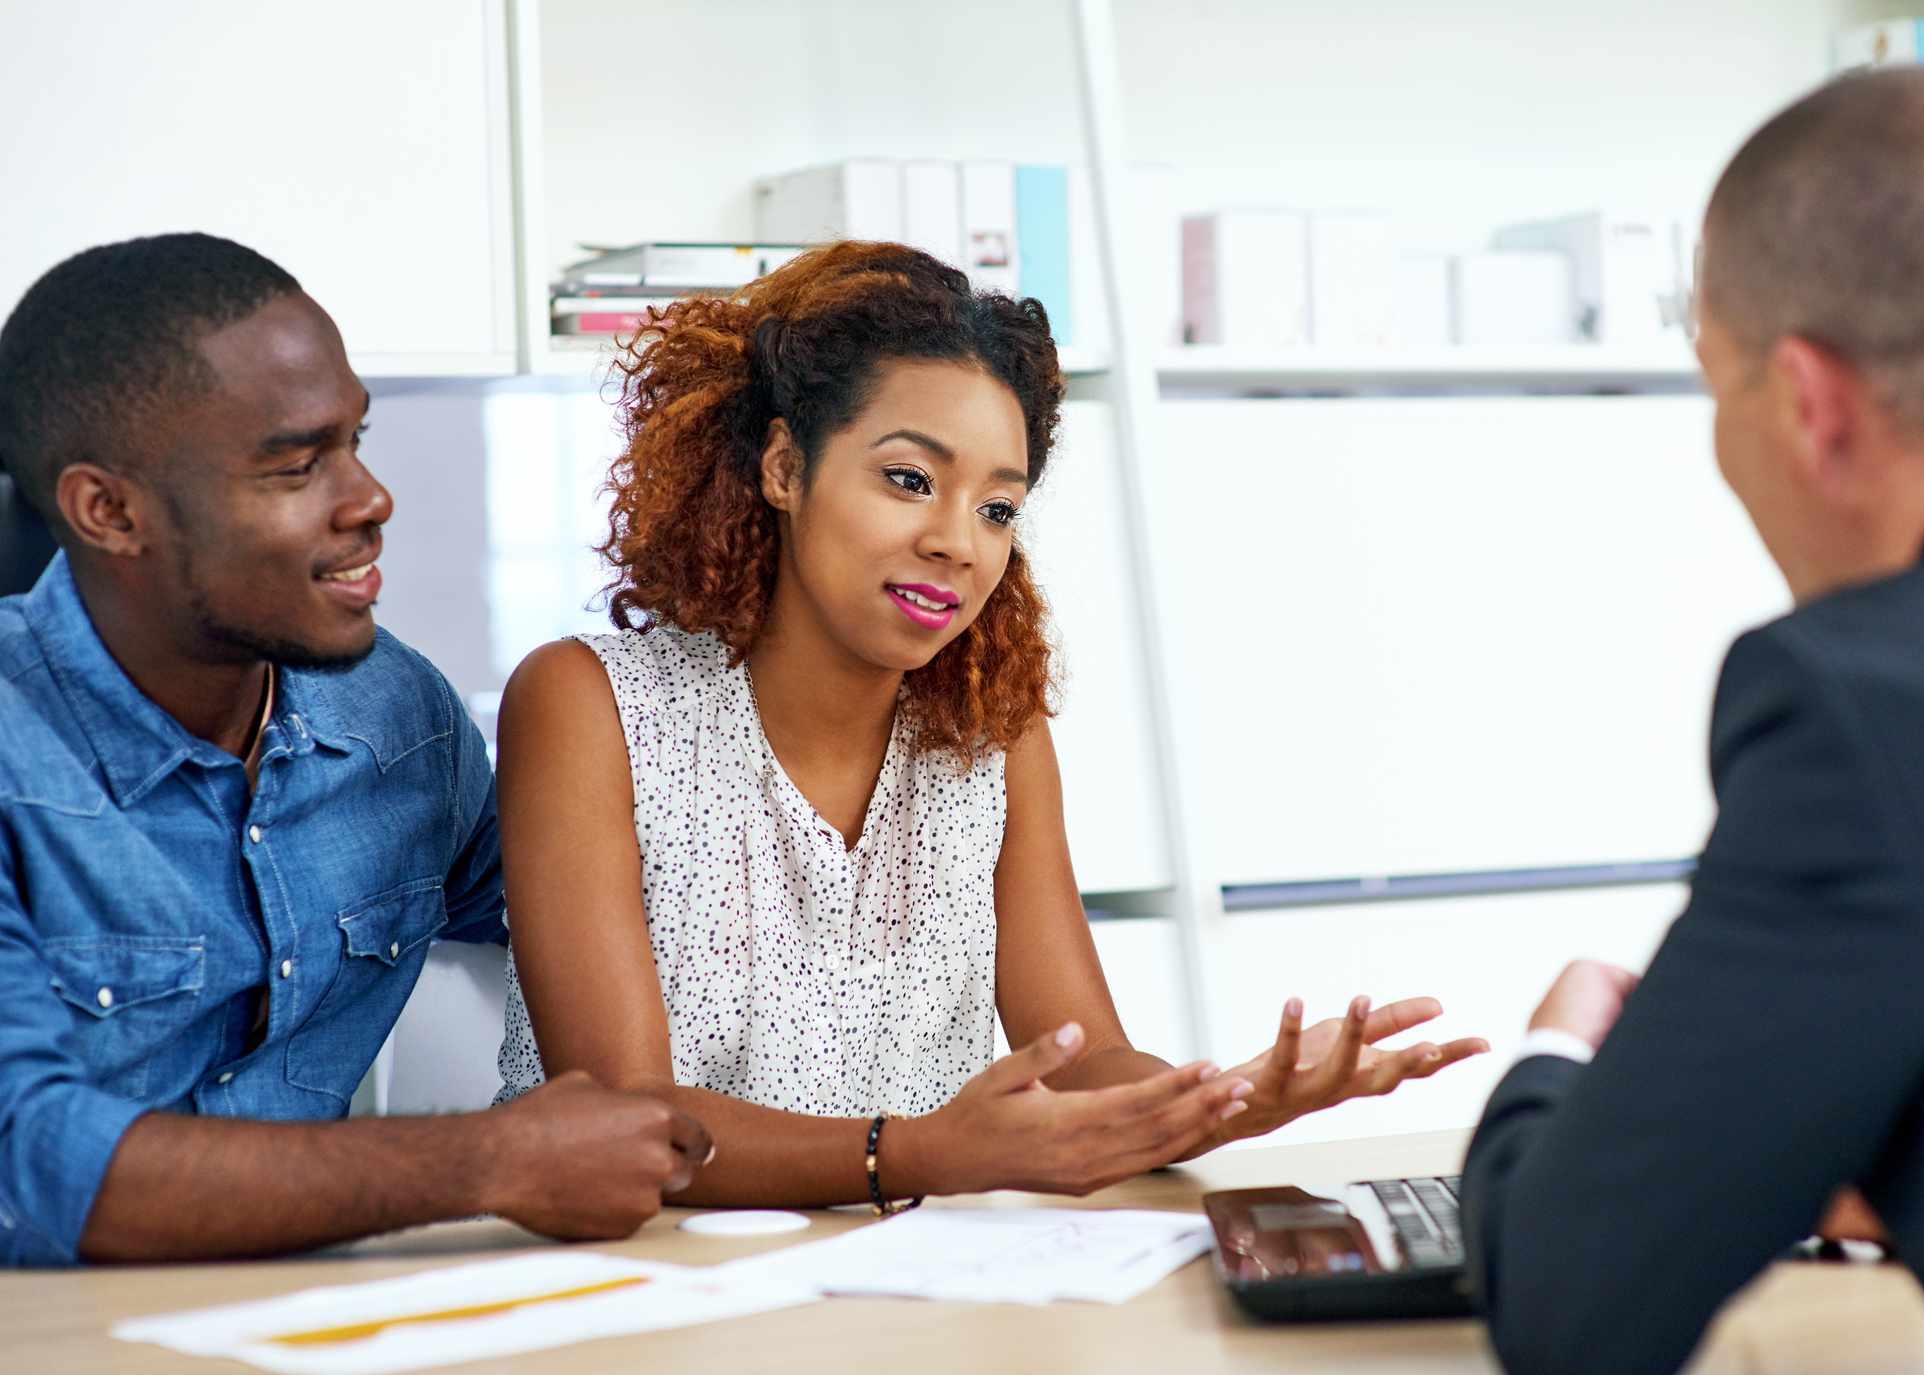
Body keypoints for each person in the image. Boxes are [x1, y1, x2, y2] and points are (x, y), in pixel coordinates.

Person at [496, 241, 1487, 1207]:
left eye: (997, 509)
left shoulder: (986, 736)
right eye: (909, 479)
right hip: (638, 1303)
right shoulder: (586, 706)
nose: (955, 543)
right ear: (784, 467)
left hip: (906, 1302)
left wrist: (1203, 1103)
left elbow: (1082, 1055)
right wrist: (919, 1154)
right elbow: (623, 1124)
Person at [1460, 68, 1924, 1375]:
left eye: (1714, 383)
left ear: (1807, 400)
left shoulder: (1885, 702)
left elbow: (1574, 1321)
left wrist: (1556, 1062)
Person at [0, 234, 710, 1266]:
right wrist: (487, 1162)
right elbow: (42, 1156)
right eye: (297, 464)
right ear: (110, 512)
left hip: (308, 1338)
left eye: (354, 440)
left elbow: (588, 913)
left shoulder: (396, 714)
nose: (369, 497)